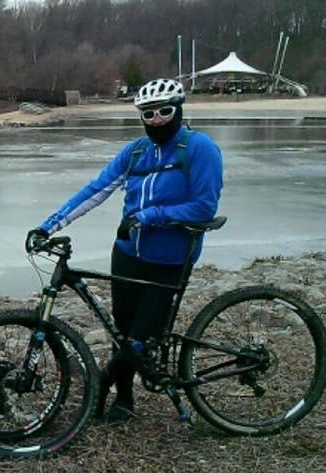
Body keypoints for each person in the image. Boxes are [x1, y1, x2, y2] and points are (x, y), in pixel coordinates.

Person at [25, 78, 223, 425]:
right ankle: (125, 398)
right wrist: (48, 226)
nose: (158, 120)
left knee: (141, 339)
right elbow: (95, 190)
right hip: (128, 254)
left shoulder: (199, 148)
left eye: (165, 111)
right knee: (121, 330)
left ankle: (102, 381)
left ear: (179, 110)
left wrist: (151, 216)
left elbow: (204, 207)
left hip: (170, 258)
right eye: (149, 114)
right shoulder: (135, 152)